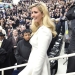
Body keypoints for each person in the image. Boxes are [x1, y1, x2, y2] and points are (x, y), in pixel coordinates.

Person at [18, 2, 57, 75]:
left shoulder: (44, 31)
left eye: (35, 12)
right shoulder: (40, 29)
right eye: (32, 12)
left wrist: (35, 73)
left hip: (38, 67)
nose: (32, 15)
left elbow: (41, 55)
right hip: (33, 64)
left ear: (43, 14)